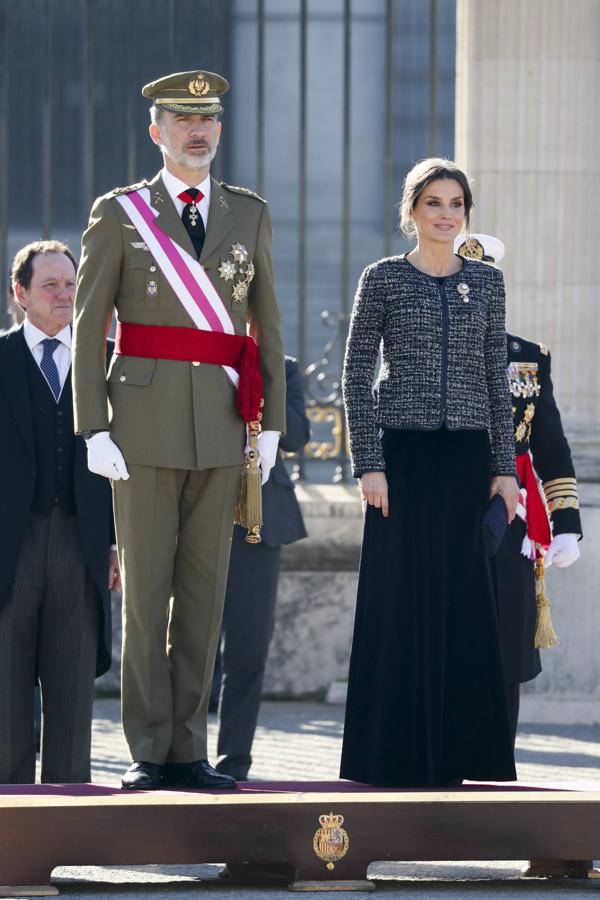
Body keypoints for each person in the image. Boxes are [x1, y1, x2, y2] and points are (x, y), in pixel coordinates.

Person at [72, 69, 285, 791]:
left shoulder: (247, 213)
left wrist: (274, 424)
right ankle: (147, 748)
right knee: (145, 594)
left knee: (203, 596)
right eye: (183, 120)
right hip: (141, 428)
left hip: (223, 427)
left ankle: (189, 748)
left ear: (220, 131)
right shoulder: (121, 213)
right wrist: (93, 425)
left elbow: (267, 321)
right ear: (158, 131)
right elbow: (89, 323)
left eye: (210, 120)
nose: (199, 131)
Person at [340, 158, 519, 788]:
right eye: (434, 202)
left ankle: (462, 759)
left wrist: (504, 471)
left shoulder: (488, 284)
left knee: (465, 606)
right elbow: (356, 378)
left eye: (457, 203)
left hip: (467, 460)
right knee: (398, 602)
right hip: (404, 459)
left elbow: (497, 381)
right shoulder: (383, 279)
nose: (447, 214)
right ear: (412, 210)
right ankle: (390, 758)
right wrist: (370, 464)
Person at [457, 234, 583, 746]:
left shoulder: (529, 358)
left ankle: (495, 755)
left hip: (511, 521)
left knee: (508, 636)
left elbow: (551, 446)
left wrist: (567, 522)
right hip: (445, 509)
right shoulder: (421, 350)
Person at [0, 240, 117, 784]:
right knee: (6, 689)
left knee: (72, 692)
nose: (64, 294)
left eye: (70, 284)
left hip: (80, 542)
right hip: (10, 546)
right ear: (19, 294)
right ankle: (14, 829)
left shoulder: (106, 359)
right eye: (50, 285)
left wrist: (117, 542)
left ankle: (70, 822)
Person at [214, 355, 310, 781]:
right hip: (203, 512)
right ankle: (183, 754)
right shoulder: (204, 356)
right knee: (188, 647)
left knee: (248, 649)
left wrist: (261, 379)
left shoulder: (281, 368)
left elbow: (299, 436)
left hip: (259, 522)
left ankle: (234, 762)